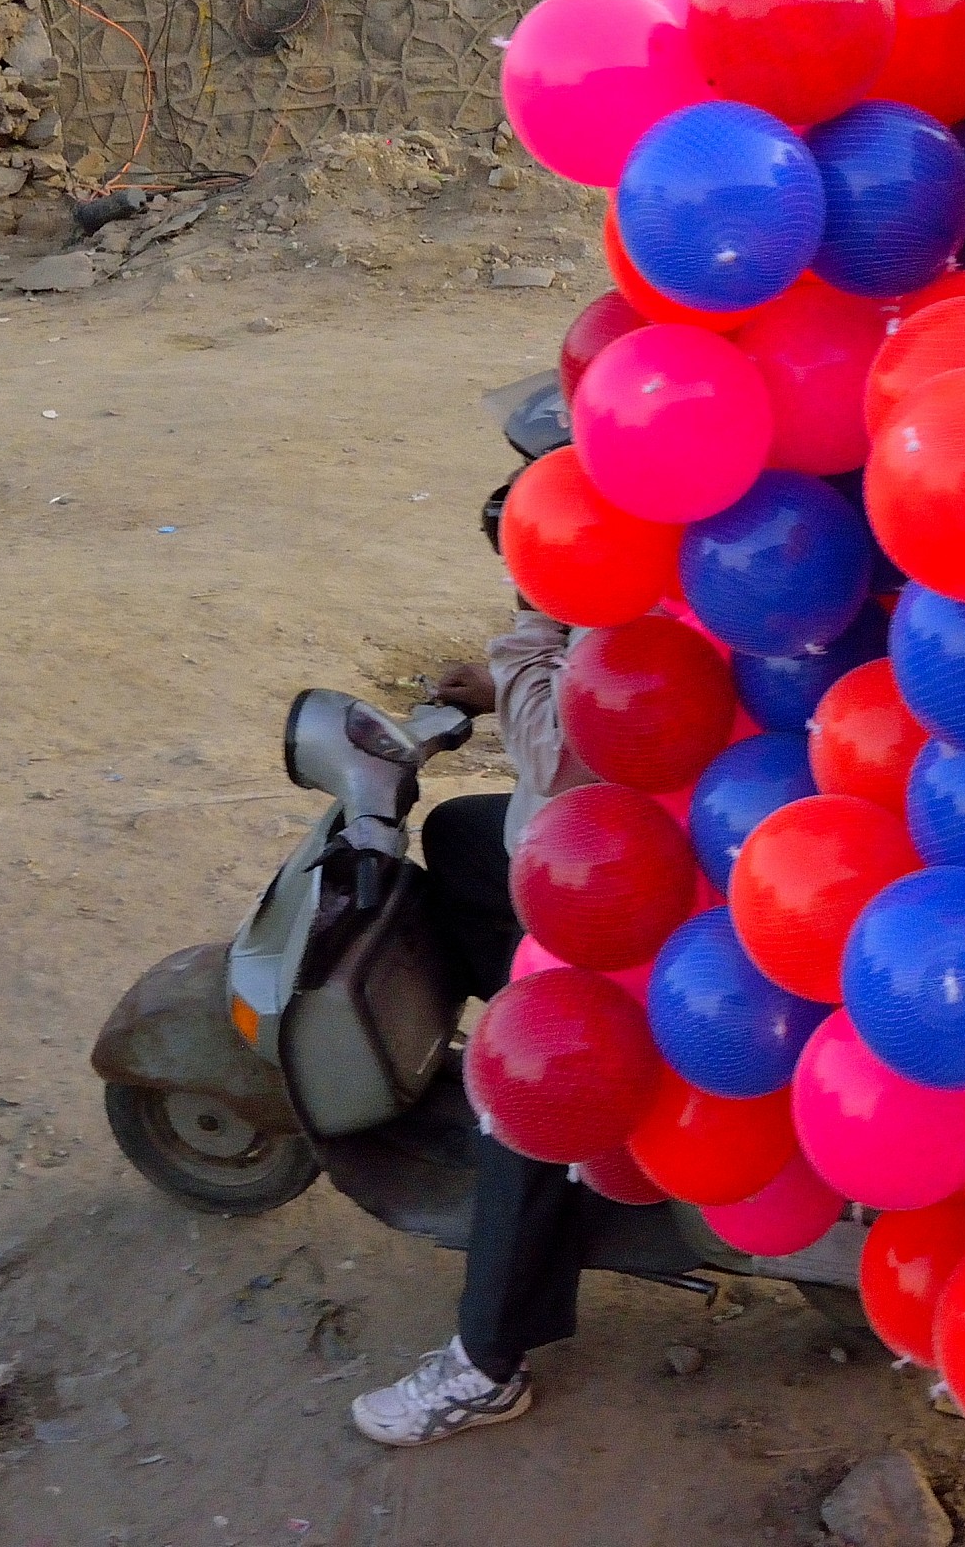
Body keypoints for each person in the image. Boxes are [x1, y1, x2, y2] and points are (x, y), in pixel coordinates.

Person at [348, 606, 596, 1448]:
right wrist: (507, 686)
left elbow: (559, 754)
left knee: (528, 1092)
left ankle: (489, 1366)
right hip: (604, 832)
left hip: (639, 885)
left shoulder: (645, 561)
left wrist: (531, 630)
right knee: (459, 834)